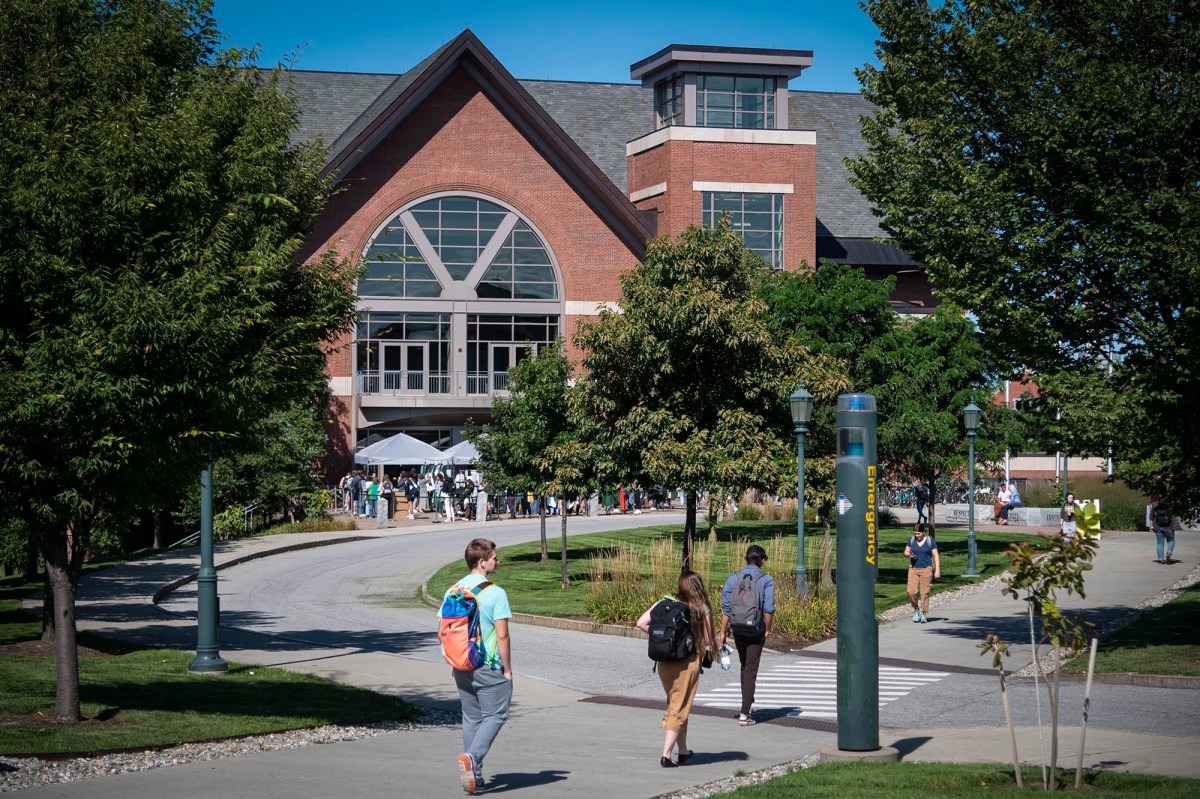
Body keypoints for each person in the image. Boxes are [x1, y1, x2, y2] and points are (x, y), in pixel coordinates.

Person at [441, 539, 512, 794]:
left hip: (460, 663)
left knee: (471, 717)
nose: (497, 561)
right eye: (494, 557)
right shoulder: (496, 593)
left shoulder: (454, 589)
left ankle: (475, 776)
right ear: (482, 562)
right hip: (488, 664)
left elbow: (445, 628)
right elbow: (502, 636)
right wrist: (507, 669)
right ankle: (472, 758)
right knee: (496, 715)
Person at [637, 570, 719, 768]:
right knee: (678, 707)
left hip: (664, 662)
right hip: (686, 662)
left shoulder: (665, 601)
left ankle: (683, 751)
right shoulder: (699, 609)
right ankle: (666, 755)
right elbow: (708, 641)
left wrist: (665, 639)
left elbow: (641, 623)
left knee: (678, 703)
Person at [718, 544, 776, 726]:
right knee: (751, 669)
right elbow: (769, 608)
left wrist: (722, 631)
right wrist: (767, 628)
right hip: (756, 629)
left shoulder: (732, 579)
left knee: (744, 666)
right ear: (761, 560)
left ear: (746, 558)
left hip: (737, 628)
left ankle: (747, 705)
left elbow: (726, 609)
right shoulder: (766, 580)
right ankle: (745, 713)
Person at [904, 523, 940, 623]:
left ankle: (923, 613)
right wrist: (909, 554)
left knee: (924, 593)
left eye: (918, 533)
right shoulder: (911, 540)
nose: (917, 536)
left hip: (926, 569)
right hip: (913, 569)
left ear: (923, 532)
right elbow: (906, 552)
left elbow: (936, 555)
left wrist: (937, 570)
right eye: (915, 533)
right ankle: (916, 610)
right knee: (911, 592)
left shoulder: (929, 541)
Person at [1147, 494, 1178, 564]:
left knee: (1160, 543)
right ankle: (1169, 552)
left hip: (1158, 526)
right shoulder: (1170, 505)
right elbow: (1173, 516)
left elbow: (1151, 516)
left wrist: (1151, 526)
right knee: (1171, 540)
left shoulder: (1155, 505)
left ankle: (1160, 559)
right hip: (1169, 526)